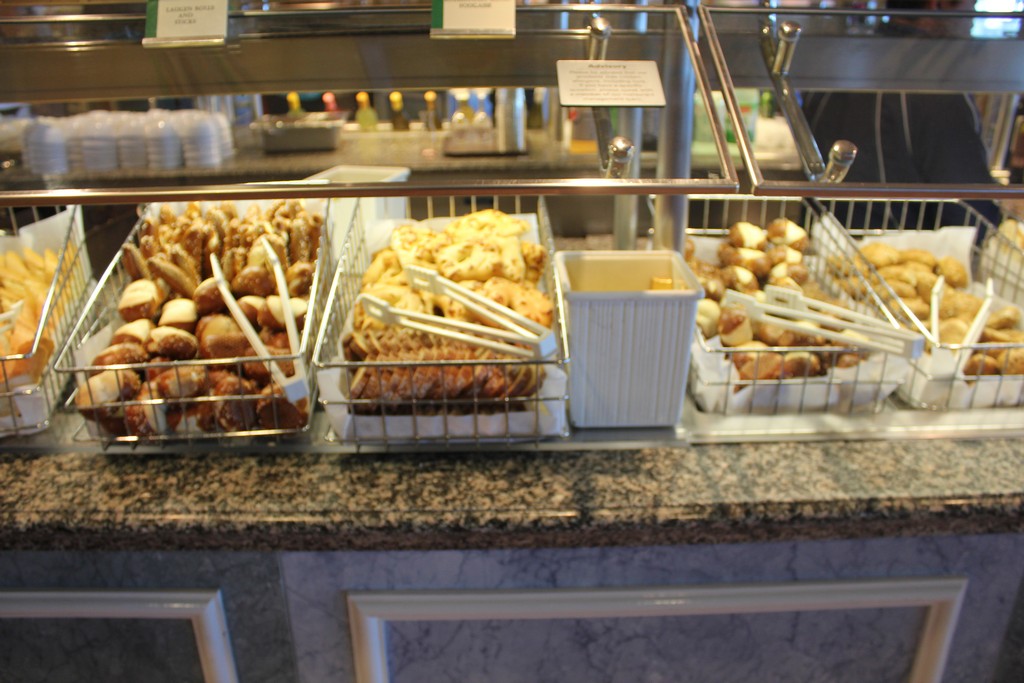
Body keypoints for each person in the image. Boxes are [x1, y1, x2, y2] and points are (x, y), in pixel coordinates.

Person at [801, 0, 1000, 227]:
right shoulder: (936, 86)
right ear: (939, 4)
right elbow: (970, 214)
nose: (973, 15)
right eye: (971, 3)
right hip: (894, 245)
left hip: (820, 236)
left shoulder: (843, 58)